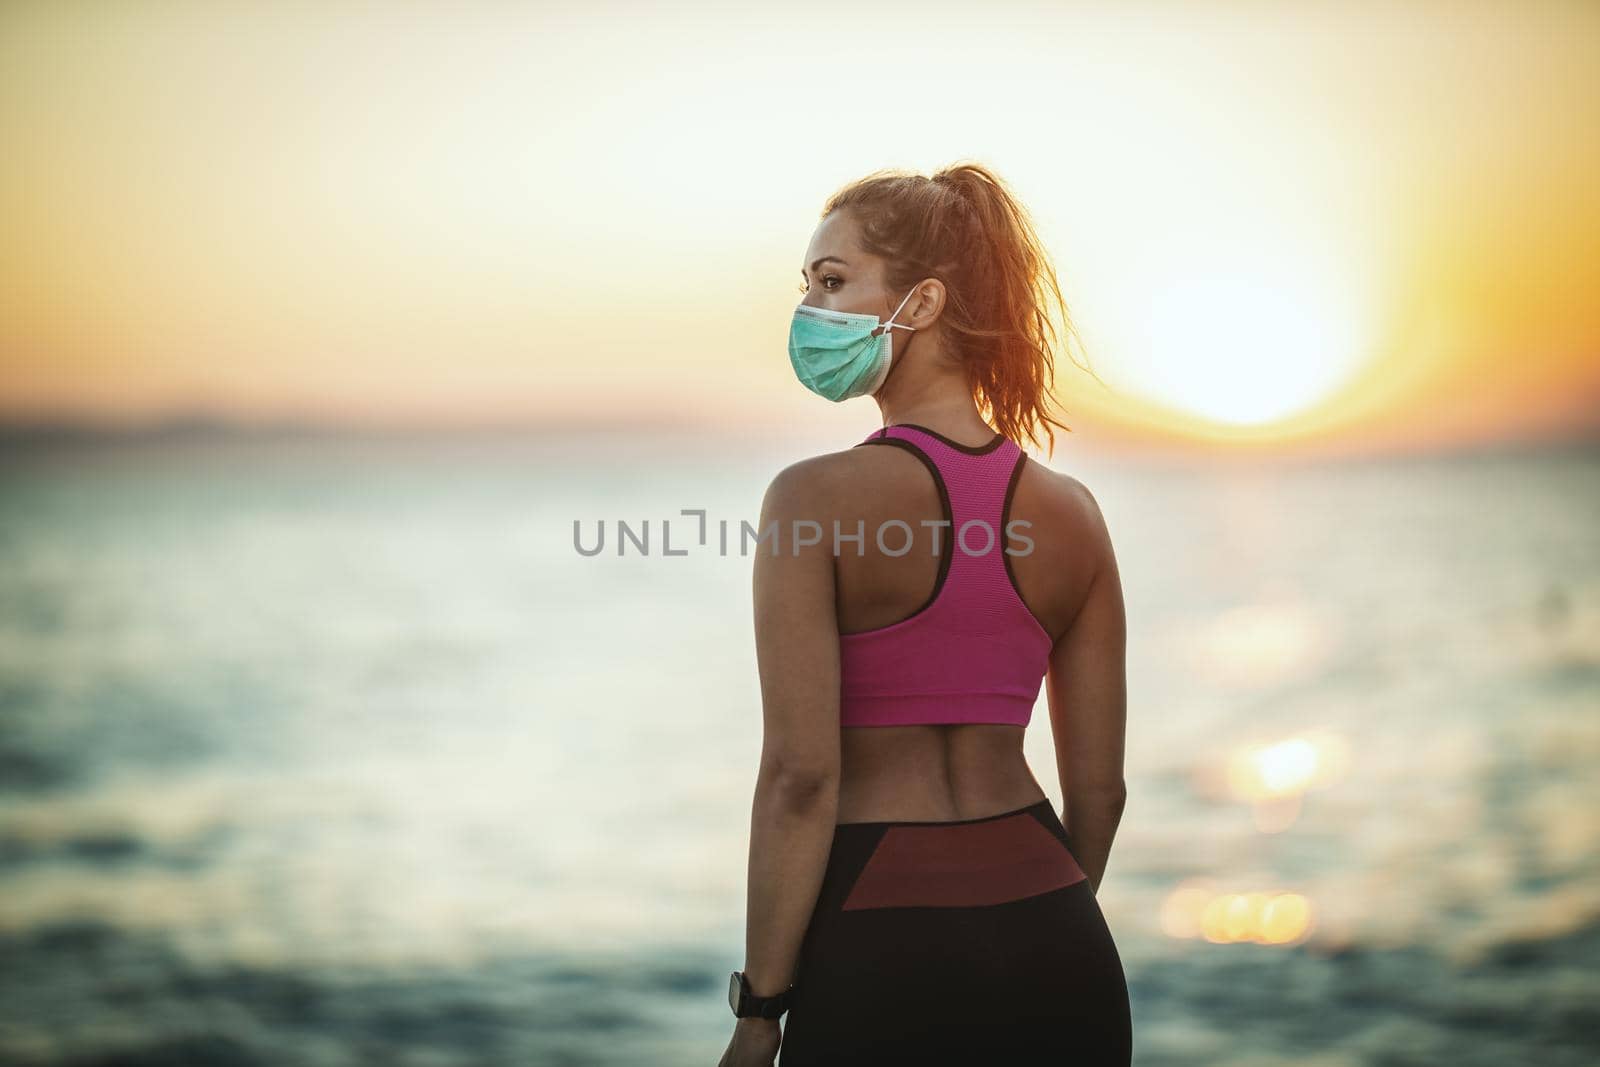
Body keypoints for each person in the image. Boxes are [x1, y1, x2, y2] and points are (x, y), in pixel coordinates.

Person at [718, 162, 1132, 1066]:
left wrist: (761, 1011)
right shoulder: (1075, 514)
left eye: (833, 282)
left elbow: (798, 777)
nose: (811, 311)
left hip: (882, 945)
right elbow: (1099, 791)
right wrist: (1041, 929)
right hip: (1057, 935)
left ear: (926, 301)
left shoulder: (810, 499)